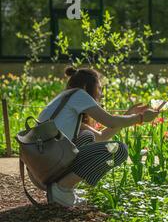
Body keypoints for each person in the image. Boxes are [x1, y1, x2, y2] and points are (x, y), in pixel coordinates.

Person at [37, 67, 159, 207]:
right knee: (119, 150)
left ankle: (64, 188)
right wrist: (140, 118)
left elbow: (101, 137)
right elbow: (111, 121)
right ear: (86, 87)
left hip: (42, 166)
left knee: (87, 136)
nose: (101, 94)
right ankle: (62, 188)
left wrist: (128, 114)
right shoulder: (79, 95)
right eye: (99, 88)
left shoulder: (64, 99)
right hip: (49, 164)